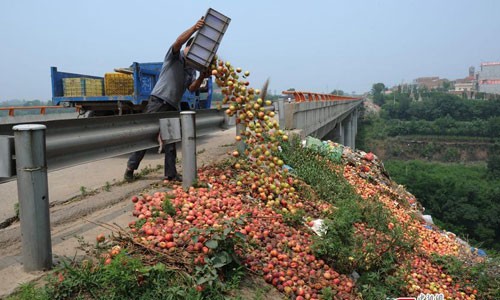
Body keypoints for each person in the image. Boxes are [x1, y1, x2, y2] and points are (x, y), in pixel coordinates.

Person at [124, 17, 209, 182]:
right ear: (188, 48)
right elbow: (178, 41)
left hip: (172, 105)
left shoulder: (191, 69)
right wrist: (194, 28)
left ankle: (170, 174)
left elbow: (191, 88)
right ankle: (130, 168)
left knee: (171, 140)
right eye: (194, 51)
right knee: (146, 136)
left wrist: (201, 78)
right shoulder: (174, 57)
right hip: (158, 101)